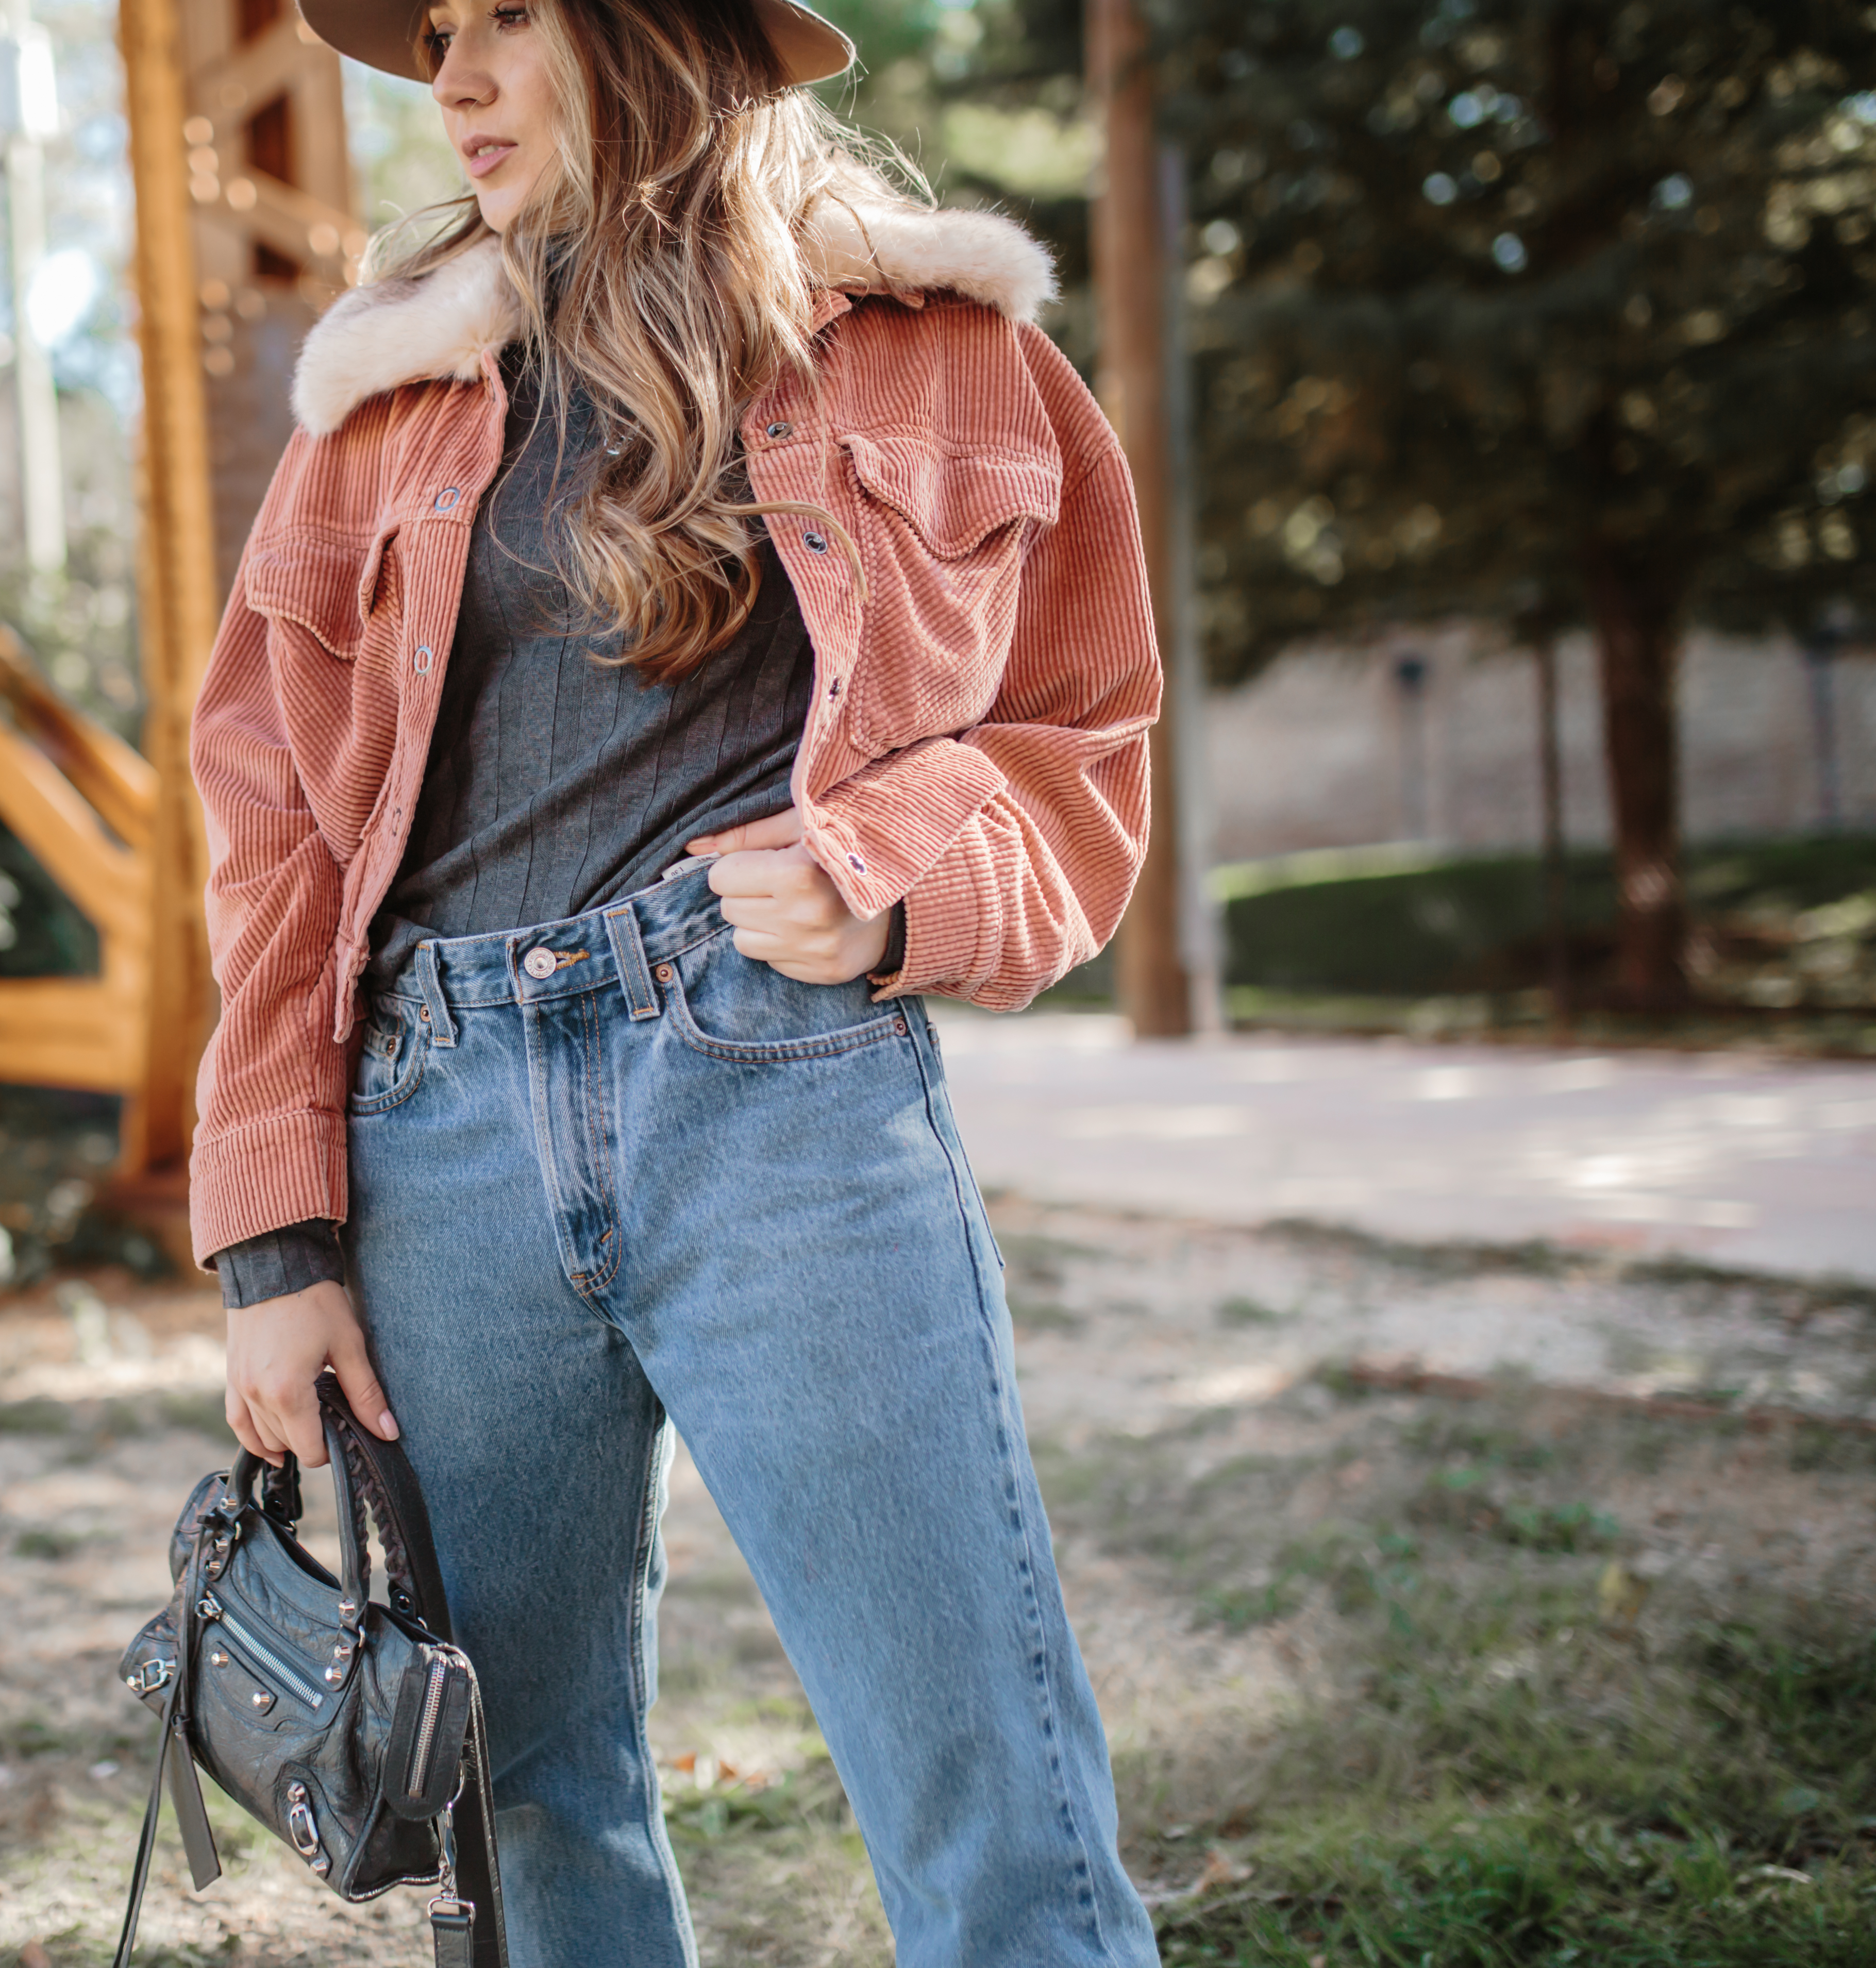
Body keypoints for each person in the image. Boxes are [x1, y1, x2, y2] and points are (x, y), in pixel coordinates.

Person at [187, 0, 1163, 1959]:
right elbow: (276, 821)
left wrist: (890, 887)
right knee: (531, 1793)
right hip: (434, 1125)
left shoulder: (948, 351)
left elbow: (1087, 739)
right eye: (434, 30)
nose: (449, 79)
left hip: (778, 1086)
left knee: (985, 1780)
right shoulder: (380, 407)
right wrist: (271, 1239)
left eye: (507, 18)